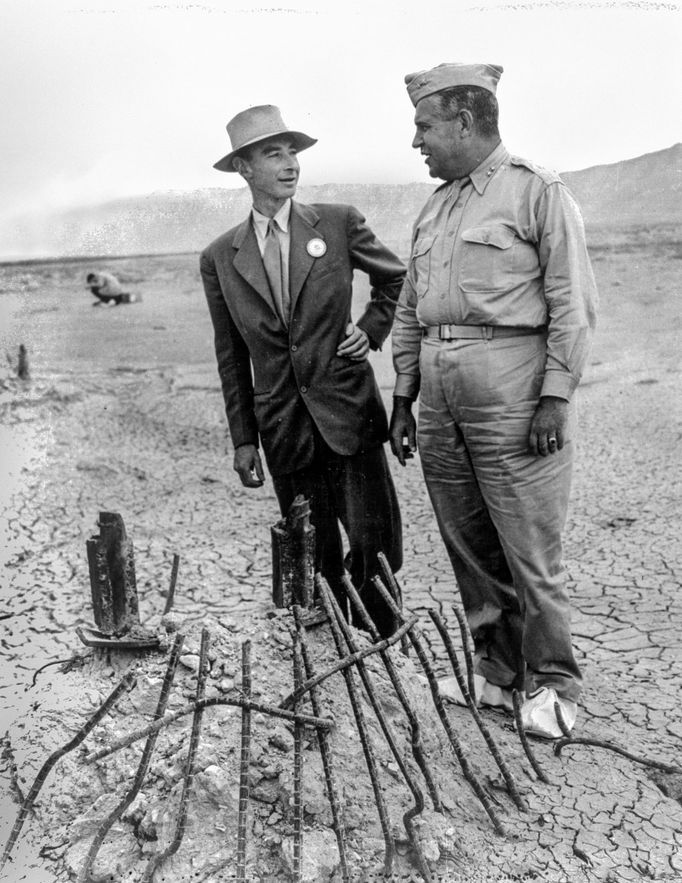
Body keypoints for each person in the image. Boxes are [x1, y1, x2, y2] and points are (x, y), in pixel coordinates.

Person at [389, 64, 598, 738]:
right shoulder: (436, 207)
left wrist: (555, 397)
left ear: (464, 121)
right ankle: (497, 671)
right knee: (468, 541)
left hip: (513, 390)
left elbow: (573, 302)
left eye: (424, 126)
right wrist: (403, 393)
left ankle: (556, 684)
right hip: (441, 398)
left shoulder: (537, 191)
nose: (416, 140)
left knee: (529, 544)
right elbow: (410, 307)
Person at [200, 105, 405, 637]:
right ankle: (333, 664)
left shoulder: (337, 222)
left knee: (375, 551)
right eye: (273, 153)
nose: (290, 162)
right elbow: (230, 354)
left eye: (293, 151)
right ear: (244, 169)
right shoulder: (221, 256)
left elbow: (397, 281)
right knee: (312, 557)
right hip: (284, 431)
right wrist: (244, 439)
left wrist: (371, 327)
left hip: (349, 417)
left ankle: (384, 658)